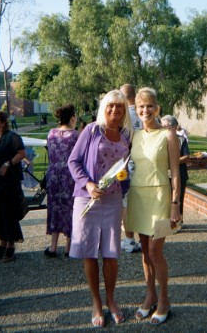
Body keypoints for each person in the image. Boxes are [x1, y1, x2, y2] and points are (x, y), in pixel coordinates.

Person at [68, 90, 132, 328]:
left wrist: (124, 181)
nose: (115, 111)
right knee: (89, 253)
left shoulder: (126, 134)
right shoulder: (92, 130)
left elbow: (125, 167)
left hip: (113, 201)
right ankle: (96, 302)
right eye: (111, 107)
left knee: (111, 254)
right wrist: (88, 183)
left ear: (125, 110)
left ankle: (111, 300)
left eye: (120, 107)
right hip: (87, 200)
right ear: (104, 108)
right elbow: (73, 161)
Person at [127, 87, 181, 325]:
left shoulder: (169, 135)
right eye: (141, 106)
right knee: (144, 252)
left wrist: (175, 204)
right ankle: (150, 296)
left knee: (154, 251)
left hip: (160, 195)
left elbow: (176, 174)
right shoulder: (134, 135)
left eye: (150, 106)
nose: (145, 110)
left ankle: (165, 300)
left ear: (157, 108)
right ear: (136, 110)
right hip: (138, 196)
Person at [0, 110, 26, 262]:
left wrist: (8, 163)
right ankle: (2, 243)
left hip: (9, 182)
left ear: (3, 122)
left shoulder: (12, 137)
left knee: (8, 213)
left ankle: (10, 245)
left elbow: (22, 153)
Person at [44, 104, 78, 258]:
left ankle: (53, 246)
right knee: (70, 208)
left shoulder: (51, 133)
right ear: (72, 118)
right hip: (69, 175)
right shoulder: (75, 135)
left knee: (54, 207)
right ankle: (68, 247)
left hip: (53, 175)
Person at [120, 83, 142, 253]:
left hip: (128, 164)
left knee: (127, 204)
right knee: (142, 203)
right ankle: (144, 239)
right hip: (145, 165)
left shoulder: (123, 116)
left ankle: (129, 240)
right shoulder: (146, 114)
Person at [161, 115, 190, 223]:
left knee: (178, 198)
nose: (163, 129)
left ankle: (179, 221)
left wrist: (172, 162)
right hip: (164, 175)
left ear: (174, 127)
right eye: (162, 126)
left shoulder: (181, 140)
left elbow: (187, 157)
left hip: (180, 174)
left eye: (166, 126)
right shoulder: (161, 139)